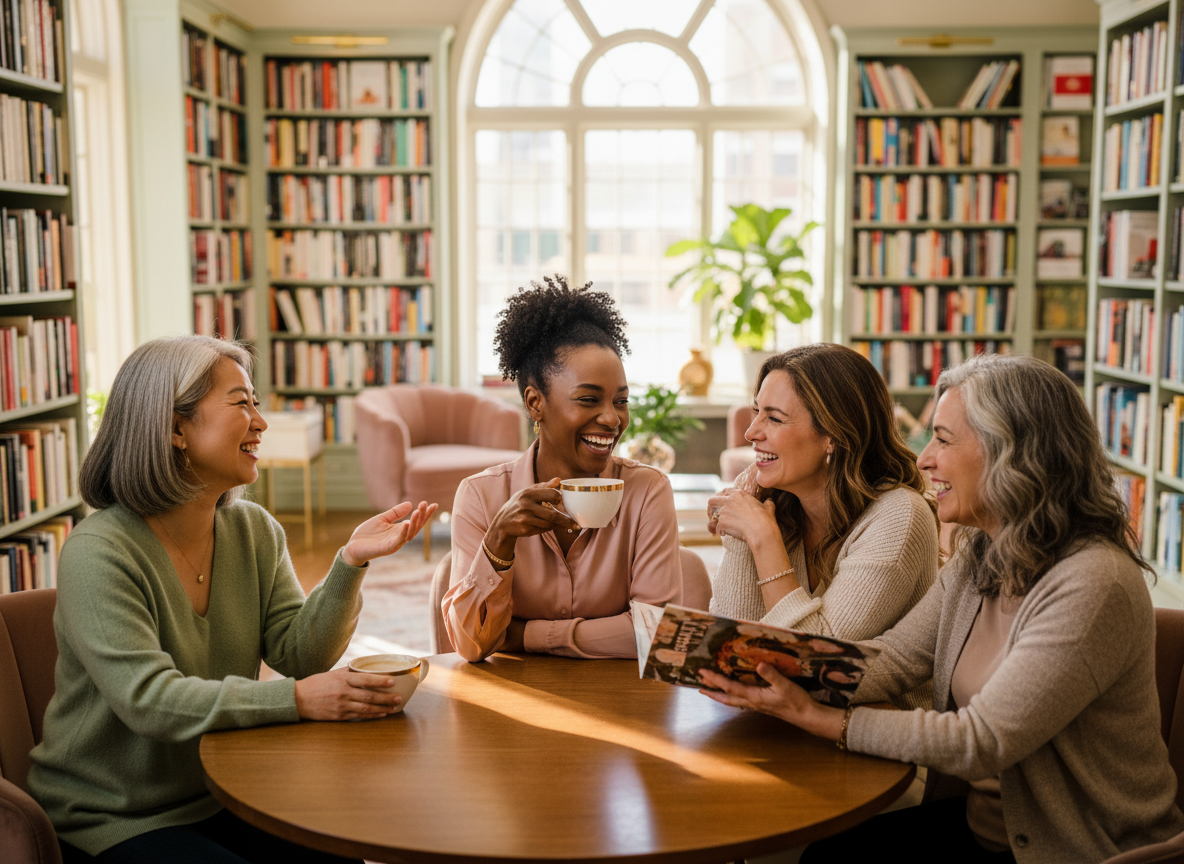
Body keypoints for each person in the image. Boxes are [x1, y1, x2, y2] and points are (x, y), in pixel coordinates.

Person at [701, 353, 1184, 863]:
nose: (924, 458)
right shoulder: (982, 552)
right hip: (989, 833)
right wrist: (780, 672)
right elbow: (895, 658)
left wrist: (818, 716)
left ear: (1012, 453)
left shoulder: (1093, 581)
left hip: (1084, 851)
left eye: (944, 439)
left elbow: (983, 740)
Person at [28, 336, 436, 864]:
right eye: (241, 403)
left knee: (339, 848)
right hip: (109, 816)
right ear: (175, 428)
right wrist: (297, 700)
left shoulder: (252, 530)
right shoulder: (98, 552)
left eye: (256, 404)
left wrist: (350, 563)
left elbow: (300, 656)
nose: (261, 423)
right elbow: (148, 700)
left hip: (224, 789)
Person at [442, 276, 680, 661]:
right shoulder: (481, 496)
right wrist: (499, 540)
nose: (612, 419)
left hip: (626, 705)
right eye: (588, 399)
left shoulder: (647, 491)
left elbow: (655, 634)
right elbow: (472, 646)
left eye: (621, 401)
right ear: (535, 403)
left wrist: (525, 635)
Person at [706, 343, 939, 709]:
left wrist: (763, 538)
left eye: (774, 418)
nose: (751, 432)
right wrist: (740, 532)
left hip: (880, 740)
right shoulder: (767, 493)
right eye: (756, 413)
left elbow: (813, 665)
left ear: (833, 435)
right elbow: (731, 655)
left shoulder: (899, 517)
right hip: (783, 724)